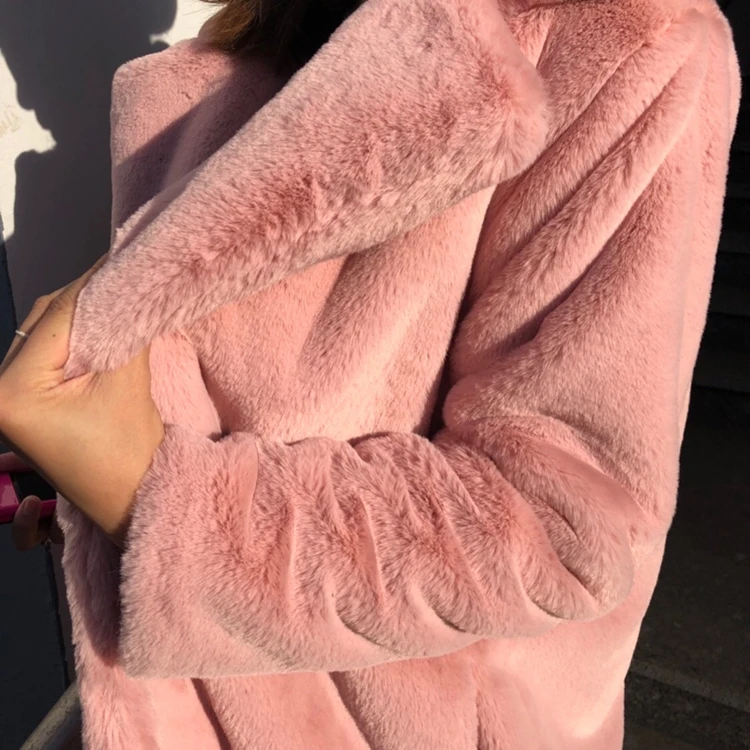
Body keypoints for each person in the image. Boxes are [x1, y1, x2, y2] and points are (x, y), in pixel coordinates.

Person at [0, 0, 740, 747]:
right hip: (179, 709)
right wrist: (89, 485)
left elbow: (562, 522)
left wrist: (142, 491)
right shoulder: (229, 68)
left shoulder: (628, 40)